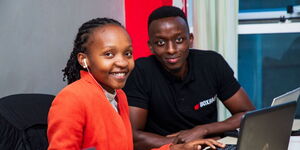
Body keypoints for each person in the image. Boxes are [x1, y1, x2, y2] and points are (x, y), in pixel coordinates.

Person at [47, 17, 225, 150]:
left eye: (127, 53)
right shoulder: (72, 99)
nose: (123, 62)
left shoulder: (119, 96)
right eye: (109, 54)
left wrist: (174, 148)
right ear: (84, 60)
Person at [123, 6, 256, 150]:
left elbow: (248, 115)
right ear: (151, 46)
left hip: (209, 146)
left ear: (190, 39)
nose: (171, 49)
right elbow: (133, 137)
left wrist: (203, 130)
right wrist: (182, 143)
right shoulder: (140, 72)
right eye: (161, 43)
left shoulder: (211, 63)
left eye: (179, 40)